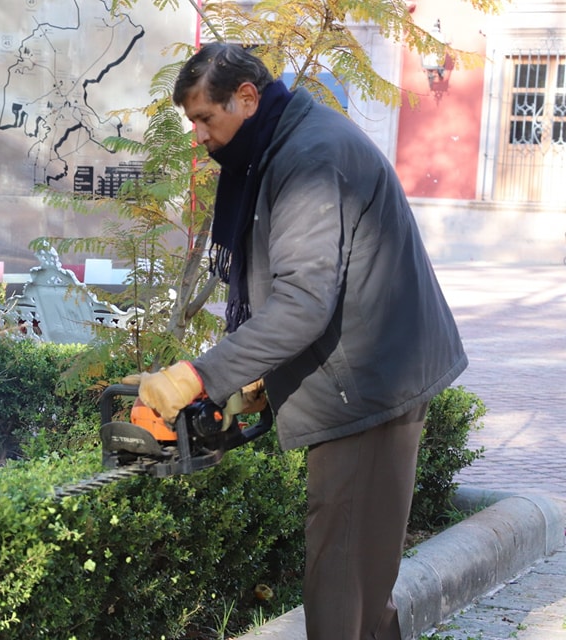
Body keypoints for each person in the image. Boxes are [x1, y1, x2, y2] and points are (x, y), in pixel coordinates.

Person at [134, 43, 467, 640]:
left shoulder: (311, 158)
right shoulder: (276, 147)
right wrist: (259, 373)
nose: (199, 135)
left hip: (368, 384)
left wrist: (201, 375)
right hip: (361, 371)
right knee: (360, 582)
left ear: (247, 98)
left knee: (341, 580)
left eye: (205, 118)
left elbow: (302, 301)